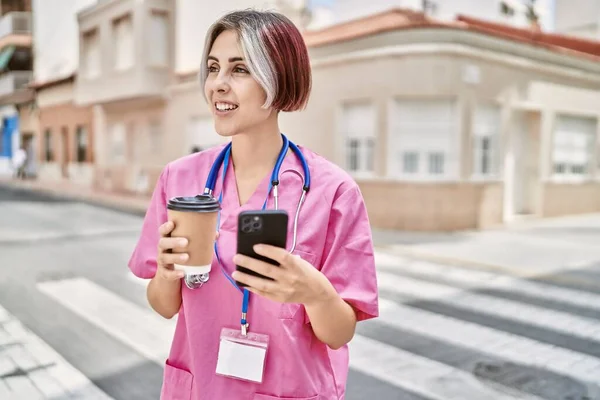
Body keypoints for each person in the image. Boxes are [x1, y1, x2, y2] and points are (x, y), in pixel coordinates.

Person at [128, 9, 379, 400]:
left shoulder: (333, 192)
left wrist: (315, 293)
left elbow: (340, 332)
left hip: (290, 389)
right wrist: (165, 272)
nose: (218, 85)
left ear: (277, 79)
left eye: (240, 69)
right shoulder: (181, 180)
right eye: (213, 68)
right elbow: (164, 305)